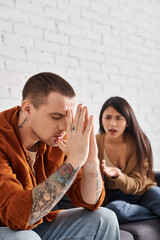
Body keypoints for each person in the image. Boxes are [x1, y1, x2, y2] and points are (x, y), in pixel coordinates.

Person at [0, 72, 120, 240]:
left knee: (104, 218)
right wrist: (74, 161)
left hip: (35, 224)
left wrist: (91, 160)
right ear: (27, 109)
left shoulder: (55, 139)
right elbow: (17, 217)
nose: (64, 127)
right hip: (7, 227)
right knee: (25, 238)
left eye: (68, 118)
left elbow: (90, 201)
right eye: (56, 117)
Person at [96, 96, 160, 224]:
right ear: (101, 121)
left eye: (119, 118)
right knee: (114, 210)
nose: (112, 123)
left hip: (142, 192)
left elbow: (136, 185)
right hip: (115, 198)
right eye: (107, 117)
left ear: (128, 122)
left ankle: (151, 208)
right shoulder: (95, 142)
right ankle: (153, 213)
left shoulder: (138, 142)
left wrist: (118, 175)